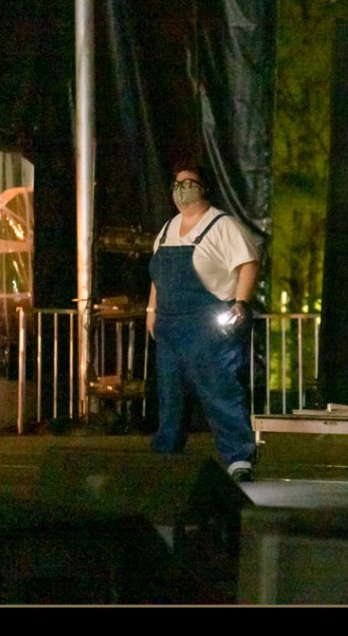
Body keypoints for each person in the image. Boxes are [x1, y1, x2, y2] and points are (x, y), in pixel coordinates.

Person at [146, 162, 260, 483]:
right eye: (177, 184)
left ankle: (239, 457)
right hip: (170, 324)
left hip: (207, 324)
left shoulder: (222, 225)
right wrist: (151, 310)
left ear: (204, 188)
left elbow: (249, 263)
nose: (182, 190)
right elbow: (157, 277)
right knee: (170, 393)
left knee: (220, 389)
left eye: (189, 184)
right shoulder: (167, 230)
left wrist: (241, 302)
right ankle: (167, 452)